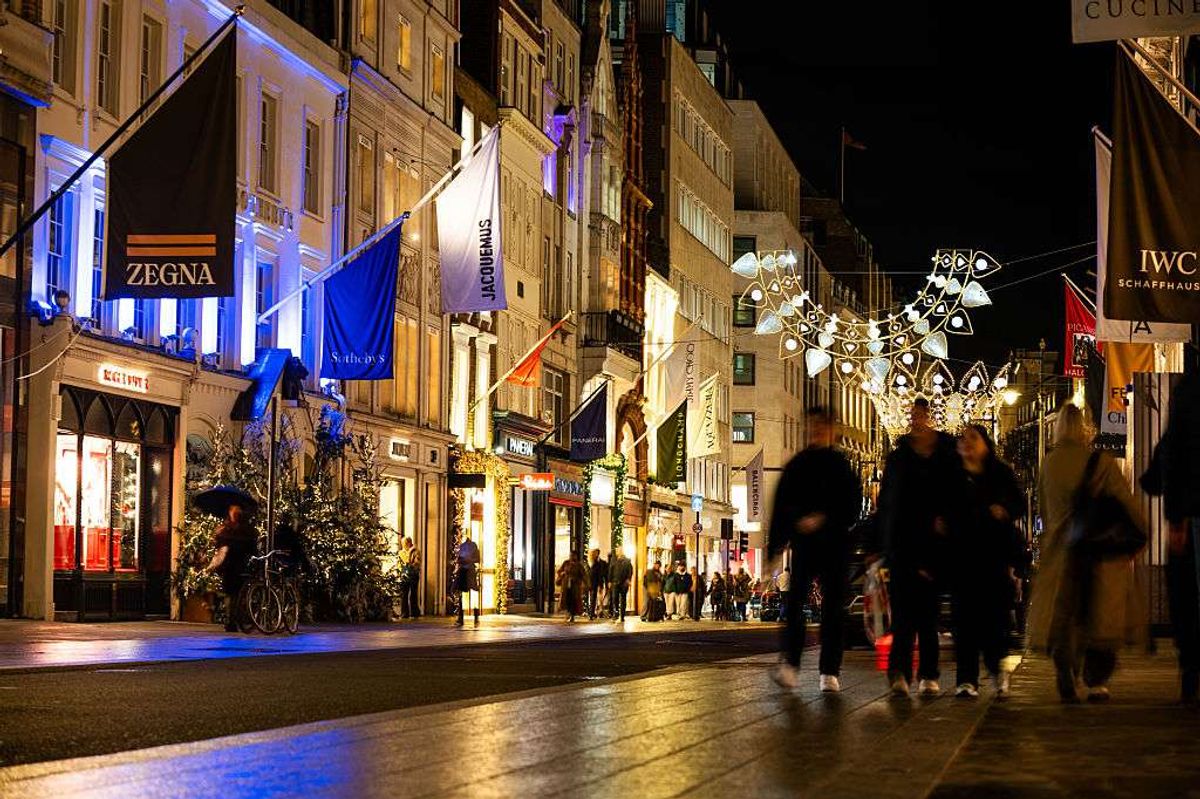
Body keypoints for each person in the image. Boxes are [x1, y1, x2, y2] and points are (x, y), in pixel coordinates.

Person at [1031, 402, 1147, 702]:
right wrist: (1138, 537)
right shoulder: (1101, 462)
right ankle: (1095, 680)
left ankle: (1065, 667)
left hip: (1062, 551)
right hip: (1099, 552)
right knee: (1098, 616)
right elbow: (1128, 504)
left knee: (1066, 615)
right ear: (1084, 427)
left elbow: (1044, 511)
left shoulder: (1050, 464)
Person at [767, 407, 863, 692]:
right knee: (795, 603)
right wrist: (776, 545)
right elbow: (781, 506)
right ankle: (791, 665)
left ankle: (829, 670)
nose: (816, 431)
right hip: (805, 545)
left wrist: (822, 518)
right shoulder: (798, 465)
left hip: (834, 546)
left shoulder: (841, 466)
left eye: (821, 426)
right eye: (812, 426)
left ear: (832, 430)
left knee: (833, 607)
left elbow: (852, 507)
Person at [878, 397, 960, 697]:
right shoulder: (898, 457)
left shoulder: (946, 455)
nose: (917, 419)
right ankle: (899, 673)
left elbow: (956, 494)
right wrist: (881, 544)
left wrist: (946, 520)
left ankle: (928, 673)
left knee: (927, 614)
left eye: (921, 414)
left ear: (930, 417)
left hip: (934, 546)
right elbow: (886, 503)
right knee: (902, 615)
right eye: (913, 414)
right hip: (902, 545)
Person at [948, 424, 1026, 699]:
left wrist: (1003, 509)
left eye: (973, 438)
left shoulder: (1000, 473)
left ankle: (997, 670)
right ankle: (966, 679)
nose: (967, 443)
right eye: (963, 439)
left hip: (994, 557)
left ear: (985, 444)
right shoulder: (953, 477)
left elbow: (1019, 503)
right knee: (964, 621)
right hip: (962, 558)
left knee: (995, 619)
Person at [1149, 364, 1200, 704]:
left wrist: (1175, 515)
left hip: (1192, 508)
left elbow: (1173, 452)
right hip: (1192, 509)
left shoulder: (1189, 387)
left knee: (1187, 598)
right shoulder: (1190, 389)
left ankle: (1191, 670)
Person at [206, 502, 256, 632]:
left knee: (235, 593)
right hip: (230, 566)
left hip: (239, 564)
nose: (234, 513)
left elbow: (249, 546)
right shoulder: (227, 529)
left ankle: (234, 619)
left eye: (236, 510)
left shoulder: (242, 529)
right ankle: (232, 619)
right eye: (232, 510)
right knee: (231, 594)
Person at [454, 533, 481, 627]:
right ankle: (467, 617)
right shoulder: (466, 546)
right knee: (464, 595)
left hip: (467, 572)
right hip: (467, 572)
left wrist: (464, 561)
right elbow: (477, 559)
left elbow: (476, 559)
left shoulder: (467, 546)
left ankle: (463, 618)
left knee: (464, 595)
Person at [557, 553, 588, 623]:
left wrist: (585, 583)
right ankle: (568, 613)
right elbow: (559, 571)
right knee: (566, 599)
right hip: (566, 585)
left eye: (573, 556)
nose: (572, 557)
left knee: (573, 600)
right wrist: (562, 573)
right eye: (571, 555)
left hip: (575, 586)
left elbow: (583, 575)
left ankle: (572, 615)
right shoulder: (566, 563)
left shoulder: (579, 565)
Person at [398, 536, 421, 619]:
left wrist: (410, 564)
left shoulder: (415, 551)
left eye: (404, 543)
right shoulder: (401, 552)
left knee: (413, 594)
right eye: (402, 544)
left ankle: (414, 612)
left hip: (413, 574)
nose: (403, 545)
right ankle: (404, 612)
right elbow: (399, 563)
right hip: (404, 575)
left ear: (409, 543)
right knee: (404, 594)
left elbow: (417, 562)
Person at [609, 549, 634, 622]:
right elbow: (611, 570)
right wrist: (610, 581)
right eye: (617, 551)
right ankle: (616, 613)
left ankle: (622, 615)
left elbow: (630, 571)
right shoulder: (614, 560)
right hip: (615, 582)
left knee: (623, 599)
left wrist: (628, 579)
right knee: (615, 599)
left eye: (619, 551)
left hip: (624, 583)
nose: (618, 553)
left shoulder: (627, 561)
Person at [587, 549, 609, 620]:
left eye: (595, 553)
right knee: (593, 598)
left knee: (600, 598)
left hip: (599, 583)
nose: (594, 555)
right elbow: (589, 574)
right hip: (592, 584)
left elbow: (604, 574)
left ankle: (600, 612)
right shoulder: (590, 562)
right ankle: (592, 613)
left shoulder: (602, 563)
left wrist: (605, 583)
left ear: (598, 554)